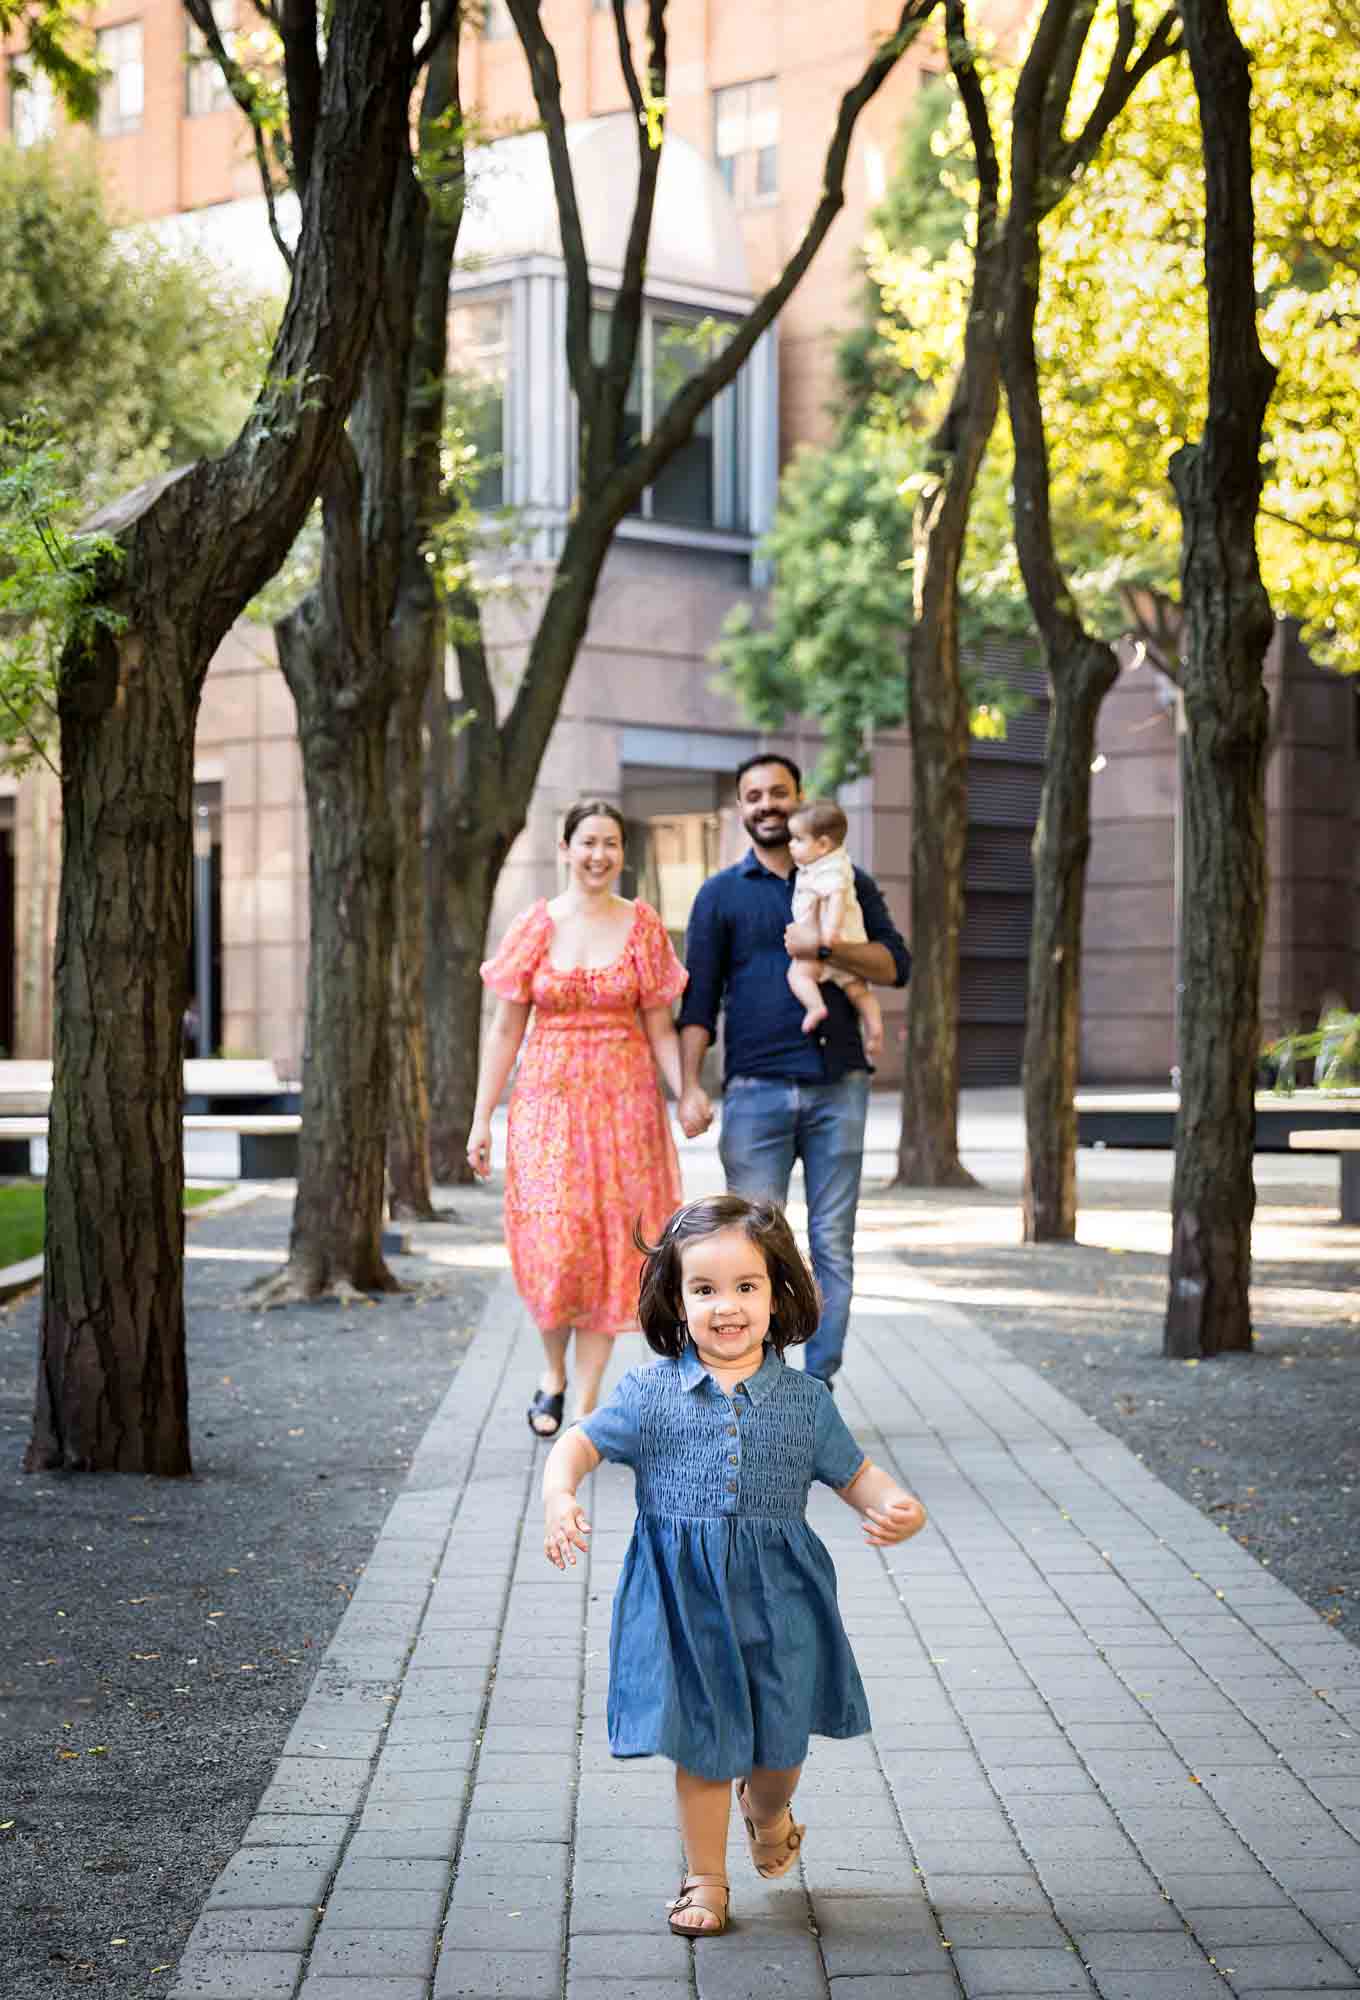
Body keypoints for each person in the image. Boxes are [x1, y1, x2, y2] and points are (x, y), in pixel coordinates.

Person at [541, 1194, 927, 1939]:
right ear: (675, 1300)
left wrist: (897, 1506)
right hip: (683, 1600)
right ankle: (705, 1878)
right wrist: (560, 1495)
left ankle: (769, 1808)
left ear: (778, 1294)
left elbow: (858, 1476)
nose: (727, 1307)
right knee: (706, 1740)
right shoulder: (649, 1395)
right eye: (705, 1289)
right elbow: (579, 1444)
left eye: (746, 1287)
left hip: (781, 1598)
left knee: (779, 1748)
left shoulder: (806, 1402)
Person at [466, 800, 713, 1437]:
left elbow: (660, 1023)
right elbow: (503, 1030)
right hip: (546, 1111)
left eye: (611, 843)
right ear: (566, 848)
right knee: (553, 1248)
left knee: (615, 1248)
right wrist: (480, 1120)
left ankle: (585, 1403)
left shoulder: (643, 925)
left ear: (622, 853)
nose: (599, 854)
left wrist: (685, 1090)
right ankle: (553, 1373)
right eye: (588, 842)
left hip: (625, 1112)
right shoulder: (535, 925)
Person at [678, 754, 910, 1387]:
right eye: (752, 795)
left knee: (832, 1242)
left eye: (778, 792)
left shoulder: (845, 876)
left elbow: (896, 963)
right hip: (753, 1092)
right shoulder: (720, 893)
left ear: (798, 797)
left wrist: (825, 948)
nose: (766, 804)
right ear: (740, 807)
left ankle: (819, 1384)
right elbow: (696, 1000)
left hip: (840, 1085)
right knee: (753, 1248)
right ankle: (764, 1381)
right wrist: (690, 1085)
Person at [785, 798, 884, 1059]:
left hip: (830, 943)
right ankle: (875, 1028)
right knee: (858, 991)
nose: (790, 844)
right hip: (831, 943)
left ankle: (815, 1007)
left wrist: (828, 937)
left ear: (823, 844)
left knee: (797, 975)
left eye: (797, 839)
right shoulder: (825, 863)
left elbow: (836, 901)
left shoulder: (832, 869)